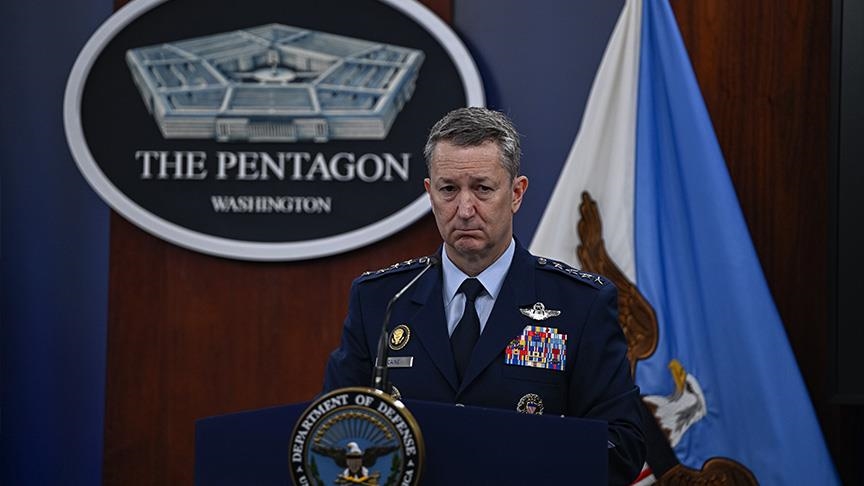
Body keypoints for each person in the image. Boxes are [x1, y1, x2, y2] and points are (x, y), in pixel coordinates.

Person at [323, 107, 645, 484]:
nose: (464, 209)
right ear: (430, 193)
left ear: (516, 193)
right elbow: (334, 429)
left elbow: (622, 445)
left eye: (482, 188)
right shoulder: (381, 300)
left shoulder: (580, 304)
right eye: (448, 189)